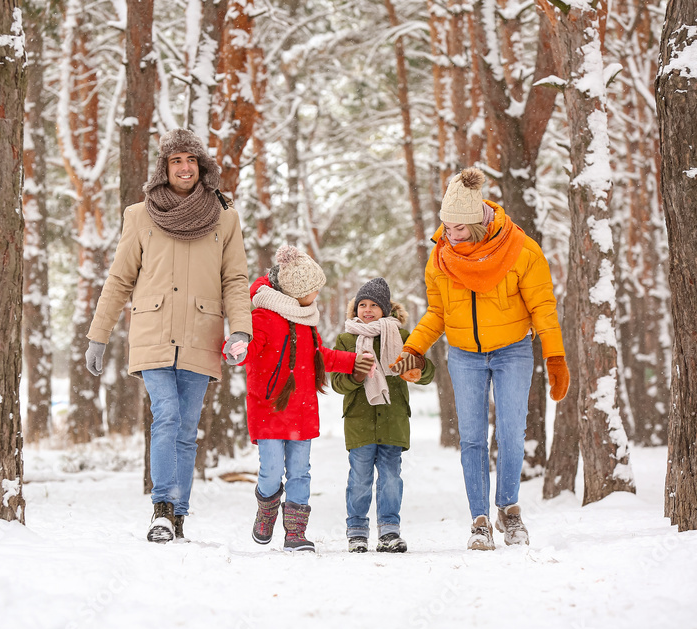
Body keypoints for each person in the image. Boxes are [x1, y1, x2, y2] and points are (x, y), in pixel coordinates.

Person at [84, 128, 253, 544]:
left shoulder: (224, 217)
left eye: (191, 160)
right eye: (176, 160)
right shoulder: (139, 215)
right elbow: (120, 277)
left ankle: (178, 515)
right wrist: (98, 335)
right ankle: (161, 508)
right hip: (153, 331)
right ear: (165, 167)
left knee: (187, 427)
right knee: (167, 416)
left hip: (202, 331)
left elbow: (235, 279)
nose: (184, 168)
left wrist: (241, 331)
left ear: (201, 167)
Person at [391, 167, 569, 551]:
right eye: (446, 227)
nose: (449, 236)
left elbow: (543, 306)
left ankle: (509, 509)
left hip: (513, 350)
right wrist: (413, 348)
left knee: (510, 434)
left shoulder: (521, 250)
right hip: (464, 355)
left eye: (457, 229)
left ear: (477, 224)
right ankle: (480, 521)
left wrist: (554, 355)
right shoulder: (441, 258)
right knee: (471, 439)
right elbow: (437, 313)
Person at [242, 245, 374, 552]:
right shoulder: (262, 316)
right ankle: (266, 506)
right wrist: (236, 349)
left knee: (300, 472)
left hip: (301, 409)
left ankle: (295, 533)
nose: (317, 295)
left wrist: (351, 361)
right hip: (270, 408)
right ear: (296, 292)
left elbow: (316, 357)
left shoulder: (305, 318)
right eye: (313, 290)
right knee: (271, 471)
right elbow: (247, 348)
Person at [332, 277, 435, 553]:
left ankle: (389, 531)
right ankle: (356, 532)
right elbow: (337, 383)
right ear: (355, 309)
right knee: (360, 478)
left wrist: (418, 366)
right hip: (359, 422)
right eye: (362, 304)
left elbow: (427, 374)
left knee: (391, 478)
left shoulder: (402, 337)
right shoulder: (346, 339)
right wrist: (355, 375)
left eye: (374, 305)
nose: (367, 310)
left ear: (386, 309)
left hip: (393, 419)